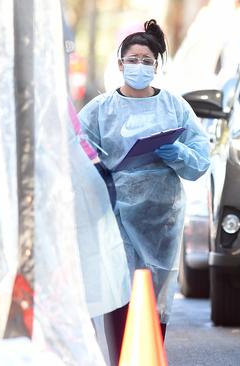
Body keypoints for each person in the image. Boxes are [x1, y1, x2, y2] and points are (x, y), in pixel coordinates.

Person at [78, 19, 210, 347]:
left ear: (157, 66)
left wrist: (176, 152)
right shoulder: (99, 111)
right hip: (114, 213)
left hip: (160, 218)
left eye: (146, 61)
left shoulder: (175, 107)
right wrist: (99, 174)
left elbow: (200, 162)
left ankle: (150, 352)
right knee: (117, 287)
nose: (139, 66)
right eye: (133, 60)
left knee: (155, 293)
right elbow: (77, 157)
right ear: (120, 64)